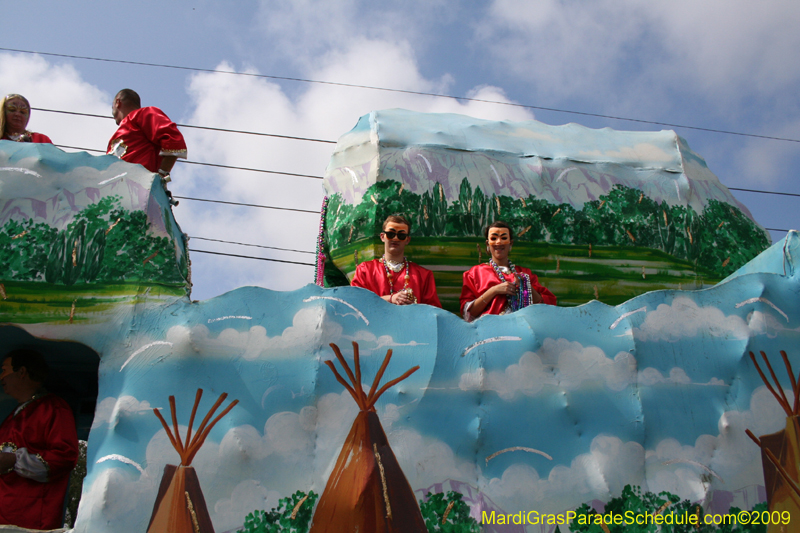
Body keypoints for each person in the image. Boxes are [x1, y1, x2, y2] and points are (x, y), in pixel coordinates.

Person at [0, 349, 79, 530]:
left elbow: (65, 457)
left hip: (33, 521)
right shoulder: (11, 417)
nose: (1, 377)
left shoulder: (54, 408)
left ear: (22, 372)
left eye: (4, 370)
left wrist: (13, 459)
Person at [460, 221, 556, 321]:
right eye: (494, 238)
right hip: (490, 330)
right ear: (487, 244)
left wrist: (526, 286)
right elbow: (469, 313)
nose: (498, 242)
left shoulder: (525, 274)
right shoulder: (475, 273)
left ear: (511, 243)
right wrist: (494, 291)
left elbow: (546, 307)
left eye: (504, 238)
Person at [351, 214, 442, 307]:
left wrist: (414, 307)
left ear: (407, 240)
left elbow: (433, 312)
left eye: (401, 235)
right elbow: (355, 303)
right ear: (382, 237)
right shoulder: (365, 270)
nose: (395, 238)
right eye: (391, 234)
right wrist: (390, 299)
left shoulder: (423, 275)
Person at [107, 88, 187, 178]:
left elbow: (173, 139)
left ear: (118, 102)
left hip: (140, 186)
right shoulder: (113, 140)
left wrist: (161, 176)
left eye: (112, 106)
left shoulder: (144, 114)